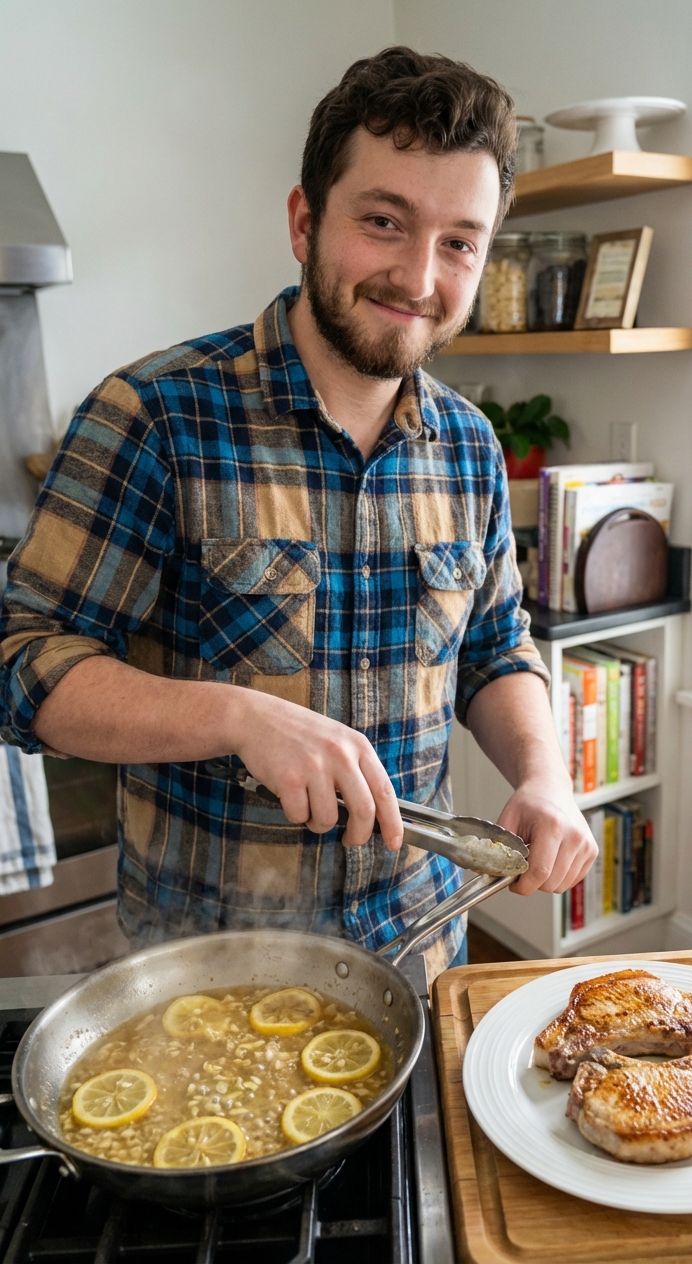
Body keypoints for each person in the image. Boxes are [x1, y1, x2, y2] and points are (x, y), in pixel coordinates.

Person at [0, 47, 596, 979]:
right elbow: (21, 658)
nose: (417, 276)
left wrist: (545, 775)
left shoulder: (472, 447)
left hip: (419, 947)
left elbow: (494, 647)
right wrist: (238, 718)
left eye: (459, 242)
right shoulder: (155, 415)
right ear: (304, 221)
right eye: (384, 221)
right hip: (213, 973)